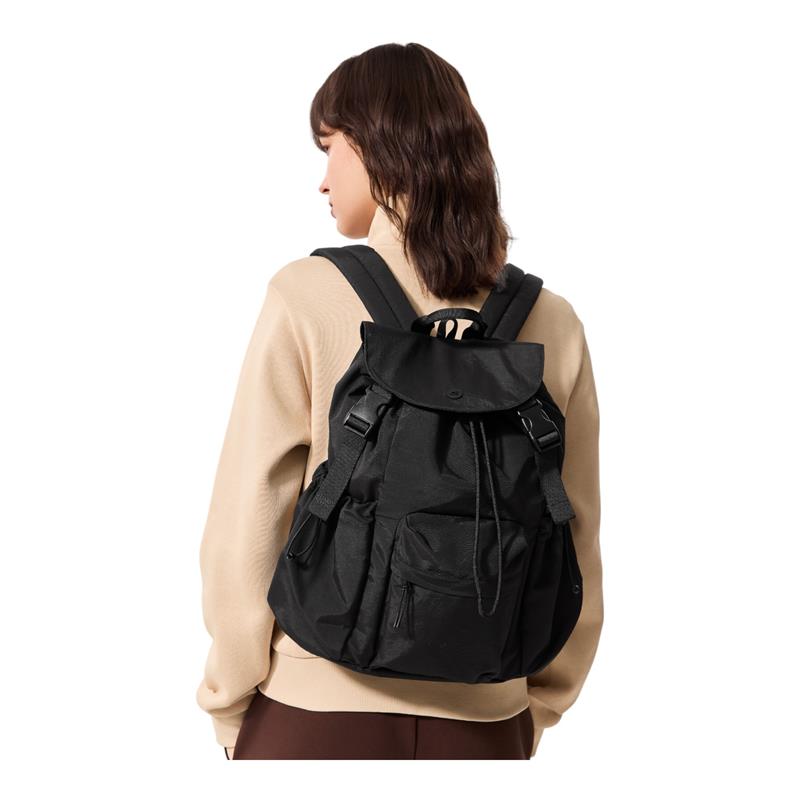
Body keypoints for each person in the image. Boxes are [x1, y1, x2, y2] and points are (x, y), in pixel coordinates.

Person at [196, 42, 603, 760]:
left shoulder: (306, 295)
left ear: (378, 147)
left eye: (330, 148)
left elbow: (249, 521)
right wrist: (533, 705)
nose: (323, 180)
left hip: (313, 713)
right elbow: (576, 532)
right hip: (487, 722)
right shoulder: (552, 322)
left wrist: (229, 701)